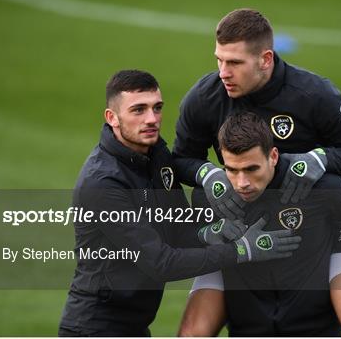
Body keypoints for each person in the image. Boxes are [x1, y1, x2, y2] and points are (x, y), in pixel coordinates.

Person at [172, 8, 341, 335]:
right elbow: (182, 159)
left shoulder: (313, 96)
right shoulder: (206, 98)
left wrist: (321, 158)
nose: (223, 72)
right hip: (242, 231)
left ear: (265, 59)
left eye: (235, 63)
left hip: (319, 230)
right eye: (219, 60)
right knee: (192, 331)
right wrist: (207, 174)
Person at [58, 70, 301, 336]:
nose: (152, 119)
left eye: (157, 107)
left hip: (135, 326)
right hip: (95, 327)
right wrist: (242, 251)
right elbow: (161, 263)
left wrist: (211, 232)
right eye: (138, 110)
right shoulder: (102, 185)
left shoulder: (156, 155)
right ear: (112, 117)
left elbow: (177, 228)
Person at [178, 112, 341, 336]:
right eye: (232, 170)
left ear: (273, 156)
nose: (242, 183)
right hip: (243, 282)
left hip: (308, 288)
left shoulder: (318, 186)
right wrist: (212, 232)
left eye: (251, 169)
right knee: (192, 332)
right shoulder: (211, 194)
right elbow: (184, 241)